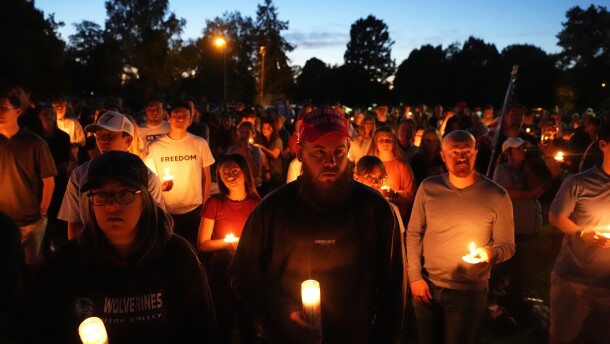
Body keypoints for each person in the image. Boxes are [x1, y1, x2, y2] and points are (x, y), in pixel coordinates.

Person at [229, 106, 405, 343]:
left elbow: (393, 285)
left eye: (339, 152)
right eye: (319, 152)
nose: (331, 162)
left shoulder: (375, 209)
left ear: (349, 151)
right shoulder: (272, 209)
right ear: (300, 153)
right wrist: (282, 312)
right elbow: (243, 272)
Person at [25, 151, 218, 343]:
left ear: (145, 199)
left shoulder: (177, 256)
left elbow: (202, 329)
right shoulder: (68, 262)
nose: (112, 206)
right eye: (101, 195)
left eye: (124, 194)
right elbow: (40, 328)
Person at [407, 130, 515, 344]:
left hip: (467, 293)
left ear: (475, 153)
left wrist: (489, 252)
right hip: (427, 286)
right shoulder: (429, 188)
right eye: (454, 152)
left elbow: (508, 245)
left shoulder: (496, 195)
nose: (461, 157)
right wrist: (415, 278)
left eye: (466, 152)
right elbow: (413, 233)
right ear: (443, 156)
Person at [58, 111, 165, 240]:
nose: (103, 141)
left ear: (128, 139)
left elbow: (157, 220)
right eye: (99, 136)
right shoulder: (80, 174)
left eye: (110, 136)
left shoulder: (146, 176)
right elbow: (74, 222)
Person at [548, 124, 610, 344]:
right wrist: (581, 232)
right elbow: (556, 216)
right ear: (603, 145)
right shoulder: (579, 182)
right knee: (562, 337)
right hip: (574, 280)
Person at [198, 154, 261, 343]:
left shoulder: (256, 205)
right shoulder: (214, 203)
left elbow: (261, 242)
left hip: (247, 269)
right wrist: (228, 243)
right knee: (222, 320)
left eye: (235, 171)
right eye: (225, 173)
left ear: (245, 174)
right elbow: (202, 243)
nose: (230, 176)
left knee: (248, 322)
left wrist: (243, 246)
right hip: (221, 269)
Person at [146, 100, 215, 248]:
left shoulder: (199, 143)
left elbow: (206, 176)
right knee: (169, 249)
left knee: (193, 249)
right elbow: (152, 180)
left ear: (190, 121)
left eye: (184, 116)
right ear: (168, 118)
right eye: (176, 115)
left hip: (194, 209)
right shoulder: (155, 146)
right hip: (166, 210)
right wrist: (161, 187)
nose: (180, 119)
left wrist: (206, 204)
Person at [0, 93, 57, 266]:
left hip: (30, 222)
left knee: (32, 265)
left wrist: (42, 211)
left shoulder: (35, 143)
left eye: (3, 108)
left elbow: (49, 180)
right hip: (2, 220)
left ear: (17, 111)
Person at [370, 127, 416, 220]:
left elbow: (412, 197)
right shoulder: (369, 165)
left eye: (388, 140)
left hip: (397, 217)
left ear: (394, 143)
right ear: (375, 143)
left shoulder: (402, 166)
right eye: (381, 140)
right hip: (374, 215)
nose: (385, 143)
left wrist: (394, 194)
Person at [257, 118, 284, 195]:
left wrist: (262, 148)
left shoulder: (277, 141)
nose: (264, 130)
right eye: (263, 128)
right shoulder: (264, 140)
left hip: (275, 173)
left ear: (273, 129)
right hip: (265, 173)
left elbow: (275, 155)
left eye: (267, 128)